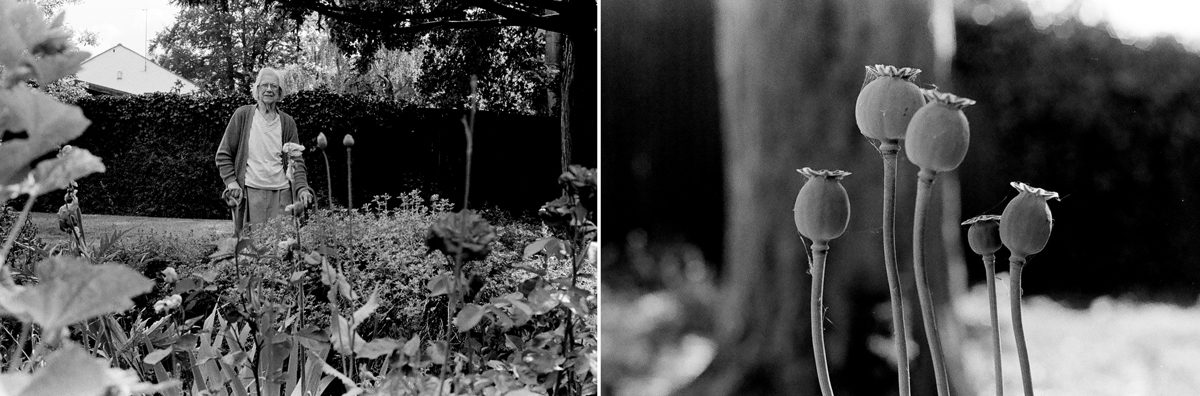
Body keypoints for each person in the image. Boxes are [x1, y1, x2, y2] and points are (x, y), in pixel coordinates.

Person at [215, 67, 314, 236]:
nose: (269, 89)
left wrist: (302, 188)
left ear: (279, 92)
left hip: (282, 193)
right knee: (252, 247)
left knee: (284, 246)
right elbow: (223, 154)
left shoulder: (287, 122)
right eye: (264, 85)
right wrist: (231, 182)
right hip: (251, 193)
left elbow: (296, 161)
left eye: (274, 86)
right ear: (257, 89)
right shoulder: (243, 115)